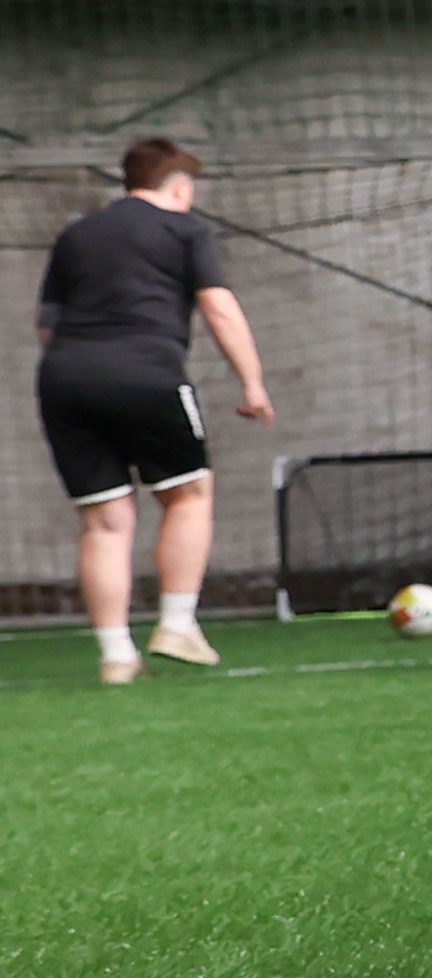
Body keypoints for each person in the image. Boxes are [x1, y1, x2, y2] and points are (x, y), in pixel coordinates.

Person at [33, 138, 272, 683]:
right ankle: (177, 624)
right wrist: (252, 382)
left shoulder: (76, 234)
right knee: (188, 493)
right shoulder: (185, 229)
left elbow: (46, 323)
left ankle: (116, 655)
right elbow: (218, 306)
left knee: (104, 520)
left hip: (65, 379)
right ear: (180, 187)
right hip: (147, 372)